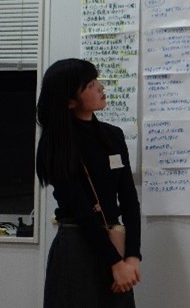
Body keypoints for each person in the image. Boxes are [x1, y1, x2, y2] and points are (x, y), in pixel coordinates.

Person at [36, 58, 142, 308]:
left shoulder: (112, 135)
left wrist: (132, 257)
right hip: (77, 246)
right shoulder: (56, 143)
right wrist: (115, 263)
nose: (101, 87)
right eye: (90, 85)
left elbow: (129, 198)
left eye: (97, 81)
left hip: (115, 243)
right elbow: (82, 210)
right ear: (70, 101)